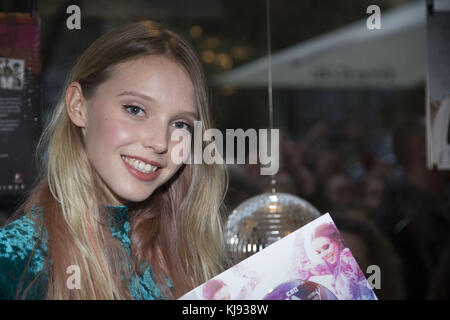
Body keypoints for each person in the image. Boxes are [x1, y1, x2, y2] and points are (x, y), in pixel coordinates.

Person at [0, 21, 227, 300]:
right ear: (78, 106)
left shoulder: (186, 251)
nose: (160, 142)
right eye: (135, 109)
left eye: (180, 124)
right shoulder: (16, 260)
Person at [290, 221, 375, 300]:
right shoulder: (334, 264)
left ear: (337, 239)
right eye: (318, 252)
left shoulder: (347, 257)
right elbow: (304, 269)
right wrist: (298, 237)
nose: (323, 255)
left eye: (326, 247)